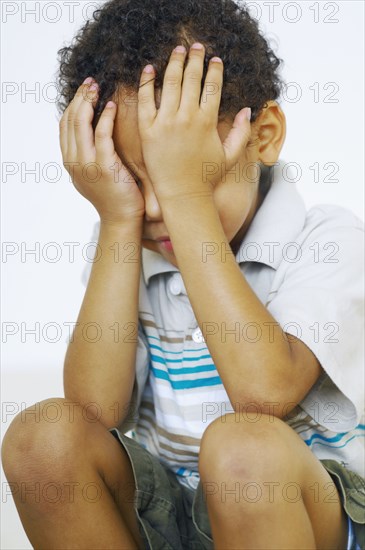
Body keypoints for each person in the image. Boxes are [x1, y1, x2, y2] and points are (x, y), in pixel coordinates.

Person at [2, 0, 364, 548]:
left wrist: (186, 199)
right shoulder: (130, 240)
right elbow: (96, 412)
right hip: (173, 511)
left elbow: (264, 393)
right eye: (132, 178)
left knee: (244, 450)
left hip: (299, 512)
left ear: (262, 136)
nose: (155, 208)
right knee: (41, 437)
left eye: (180, 173)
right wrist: (115, 219)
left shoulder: (326, 241)